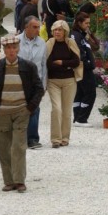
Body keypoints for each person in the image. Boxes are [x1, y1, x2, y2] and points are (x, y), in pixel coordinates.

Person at [0, 35, 45, 193]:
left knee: (18, 146)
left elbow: (39, 89)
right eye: (8, 48)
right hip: (2, 112)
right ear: (4, 49)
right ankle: (9, 181)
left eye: (14, 47)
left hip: (21, 111)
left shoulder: (28, 66)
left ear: (18, 48)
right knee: (4, 147)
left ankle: (19, 180)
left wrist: (30, 108)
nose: (11, 51)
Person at [45, 19, 81, 147]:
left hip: (69, 81)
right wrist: (65, 64)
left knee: (66, 111)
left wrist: (62, 63)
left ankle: (65, 138)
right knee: (56, 109)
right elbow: (47, 63)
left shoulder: (70, 43)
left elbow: (76, 61)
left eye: (60, 30)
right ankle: (55, 139)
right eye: (55, 30)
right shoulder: (49, 43)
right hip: (53, 81)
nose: (57, 32)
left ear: (65, 31)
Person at [18, 16, 47, 149]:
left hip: (36, 81)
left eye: (38, 27)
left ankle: (33, 138)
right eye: (35, 27)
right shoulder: (16, 41)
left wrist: (44, 84)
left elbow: (44, 65)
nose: (38, 29)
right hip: (19, 81)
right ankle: (19, 137)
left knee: (34, 108)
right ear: (26, 27)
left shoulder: (42, 43)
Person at [71, 12, 98, 126]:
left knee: (80, 93)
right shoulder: (77, 36)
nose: (88, 25)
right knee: (90, 93)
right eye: (86, 23)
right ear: (79, 23)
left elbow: (96, 45)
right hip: (83, 68)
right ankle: (81, 118)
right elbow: (79, 53)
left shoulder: (80, 34)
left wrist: (90, 35)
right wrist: (87, 63)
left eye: (89, 23)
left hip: (83, 68)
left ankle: (77, 117)